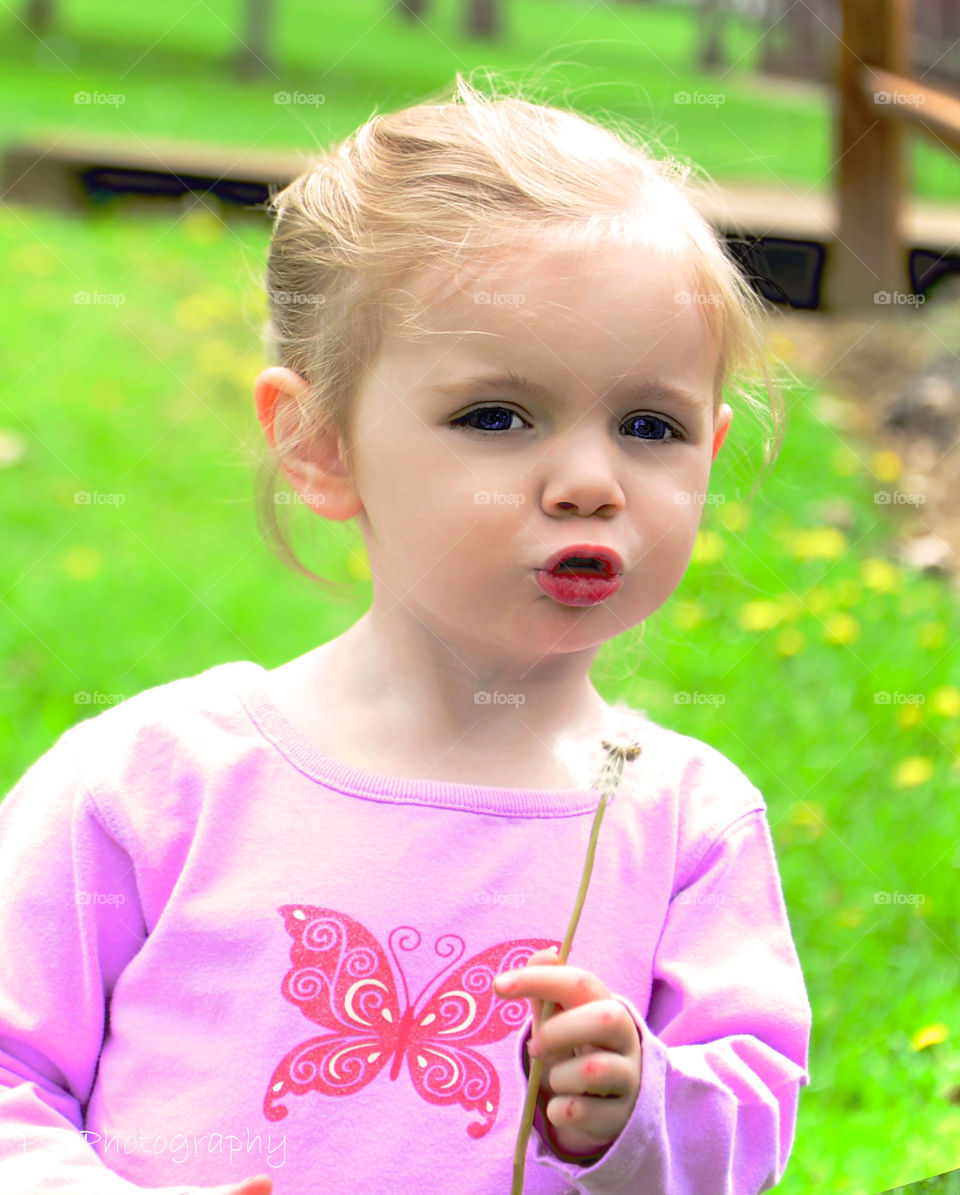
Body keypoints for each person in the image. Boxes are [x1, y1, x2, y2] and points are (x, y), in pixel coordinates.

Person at [0, 75, 810, 1195]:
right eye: (496, 416)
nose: (589, 481)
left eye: (648, 425)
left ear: (710, 452)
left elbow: (747, 1136)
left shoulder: (687, 826)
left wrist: (636, 1111)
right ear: (321, 444)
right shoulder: (153, 783)